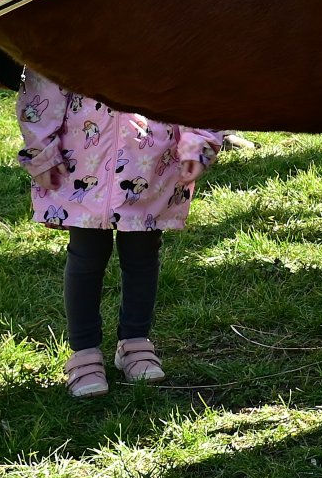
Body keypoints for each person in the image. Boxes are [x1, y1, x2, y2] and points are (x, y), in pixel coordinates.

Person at [16, 69, 222, 397]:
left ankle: (135, 342)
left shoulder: (167, 25)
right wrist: (42, 151)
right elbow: (45, 82)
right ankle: (84, 352)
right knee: (86, 254)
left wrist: (200, 143)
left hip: (151, 160)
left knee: (142, 252)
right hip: (81, 161)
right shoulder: (74, 30)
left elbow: (194, 79)